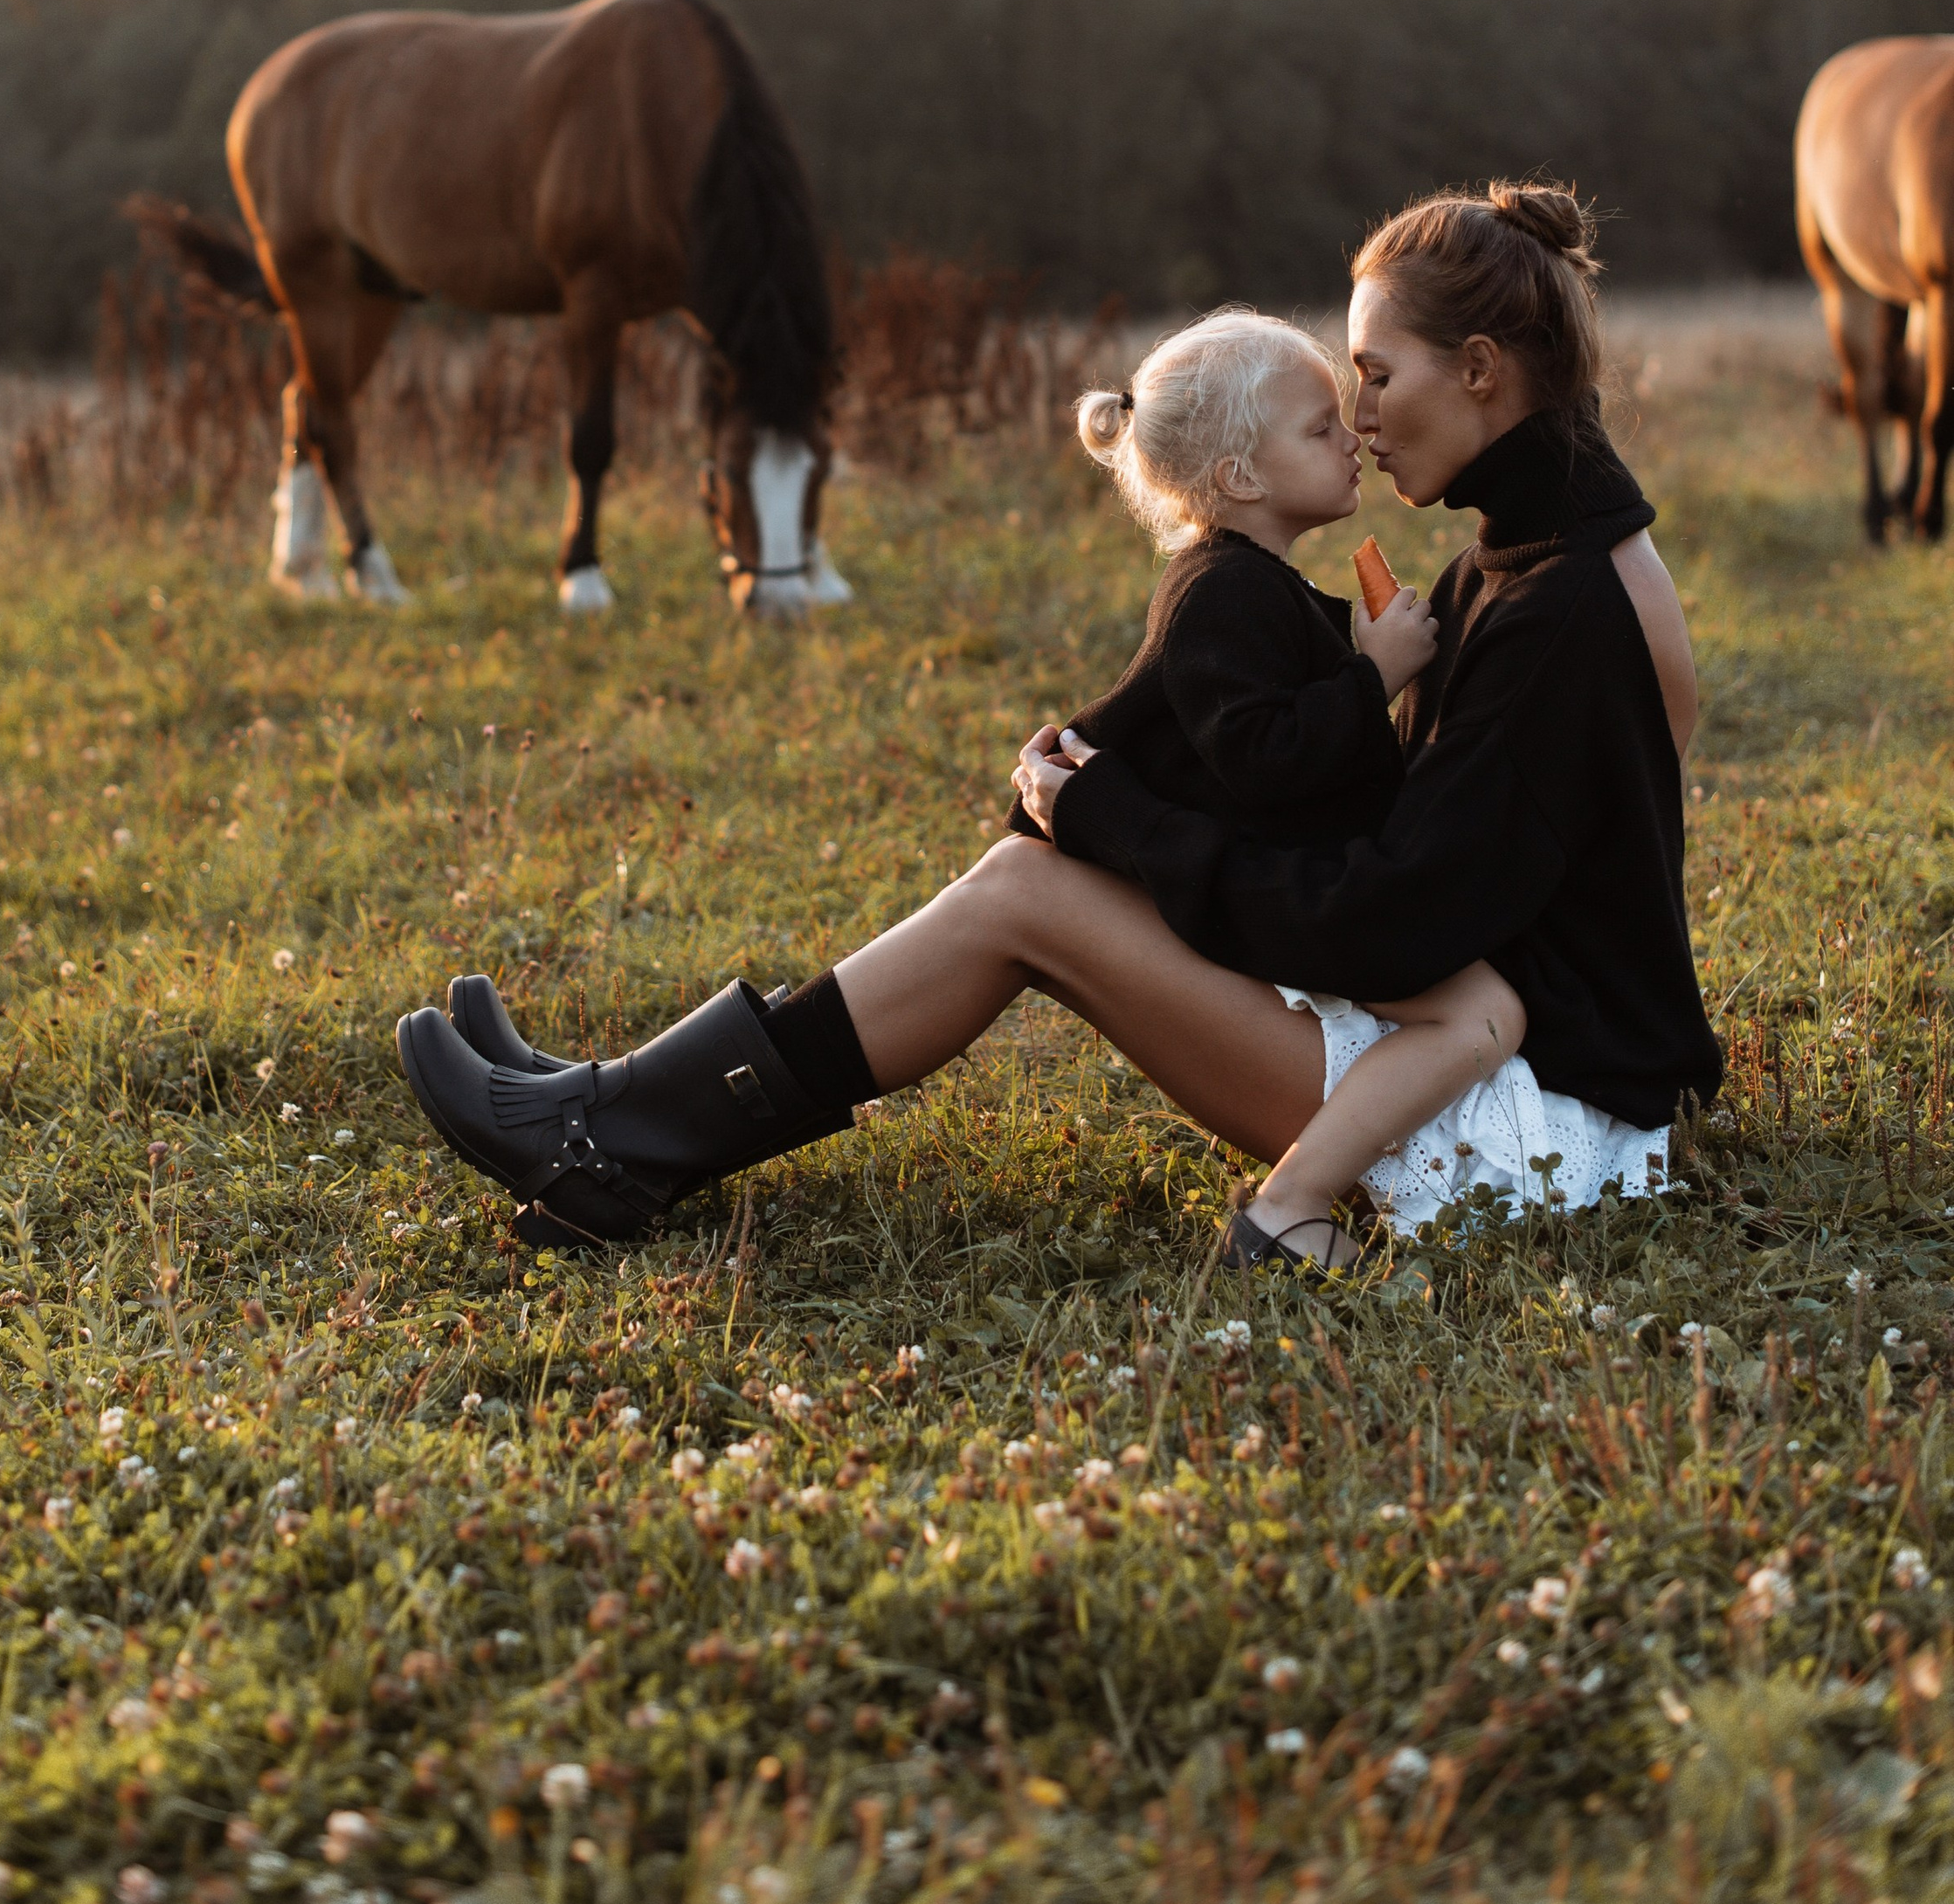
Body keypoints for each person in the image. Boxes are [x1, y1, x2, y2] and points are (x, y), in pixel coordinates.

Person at [396, 183, 1720, 1256]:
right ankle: (612, 1115)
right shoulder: (1523, 559)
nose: (1362, 421)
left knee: (1024, 899)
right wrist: (1117, 783)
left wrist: (1120, 823)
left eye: (1375, 376)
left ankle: (611, 1134)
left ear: (1482, 370)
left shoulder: (1555, 608)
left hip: (1541, 1124)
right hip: (1479, 1048)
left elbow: (1392, 915)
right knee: (1030, 876)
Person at [1006, 307, 1523, 1270]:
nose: (1353, 439)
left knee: (1484, 1007)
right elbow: (1261, 756)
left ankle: (1308, 1185)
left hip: (1299, 885)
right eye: (1319, 428)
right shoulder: (1222, 591)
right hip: (1296, 898)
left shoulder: (1255, 584)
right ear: (1240, 476)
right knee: (1484, 1011)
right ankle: (1294, 1202)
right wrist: (1374, 677)